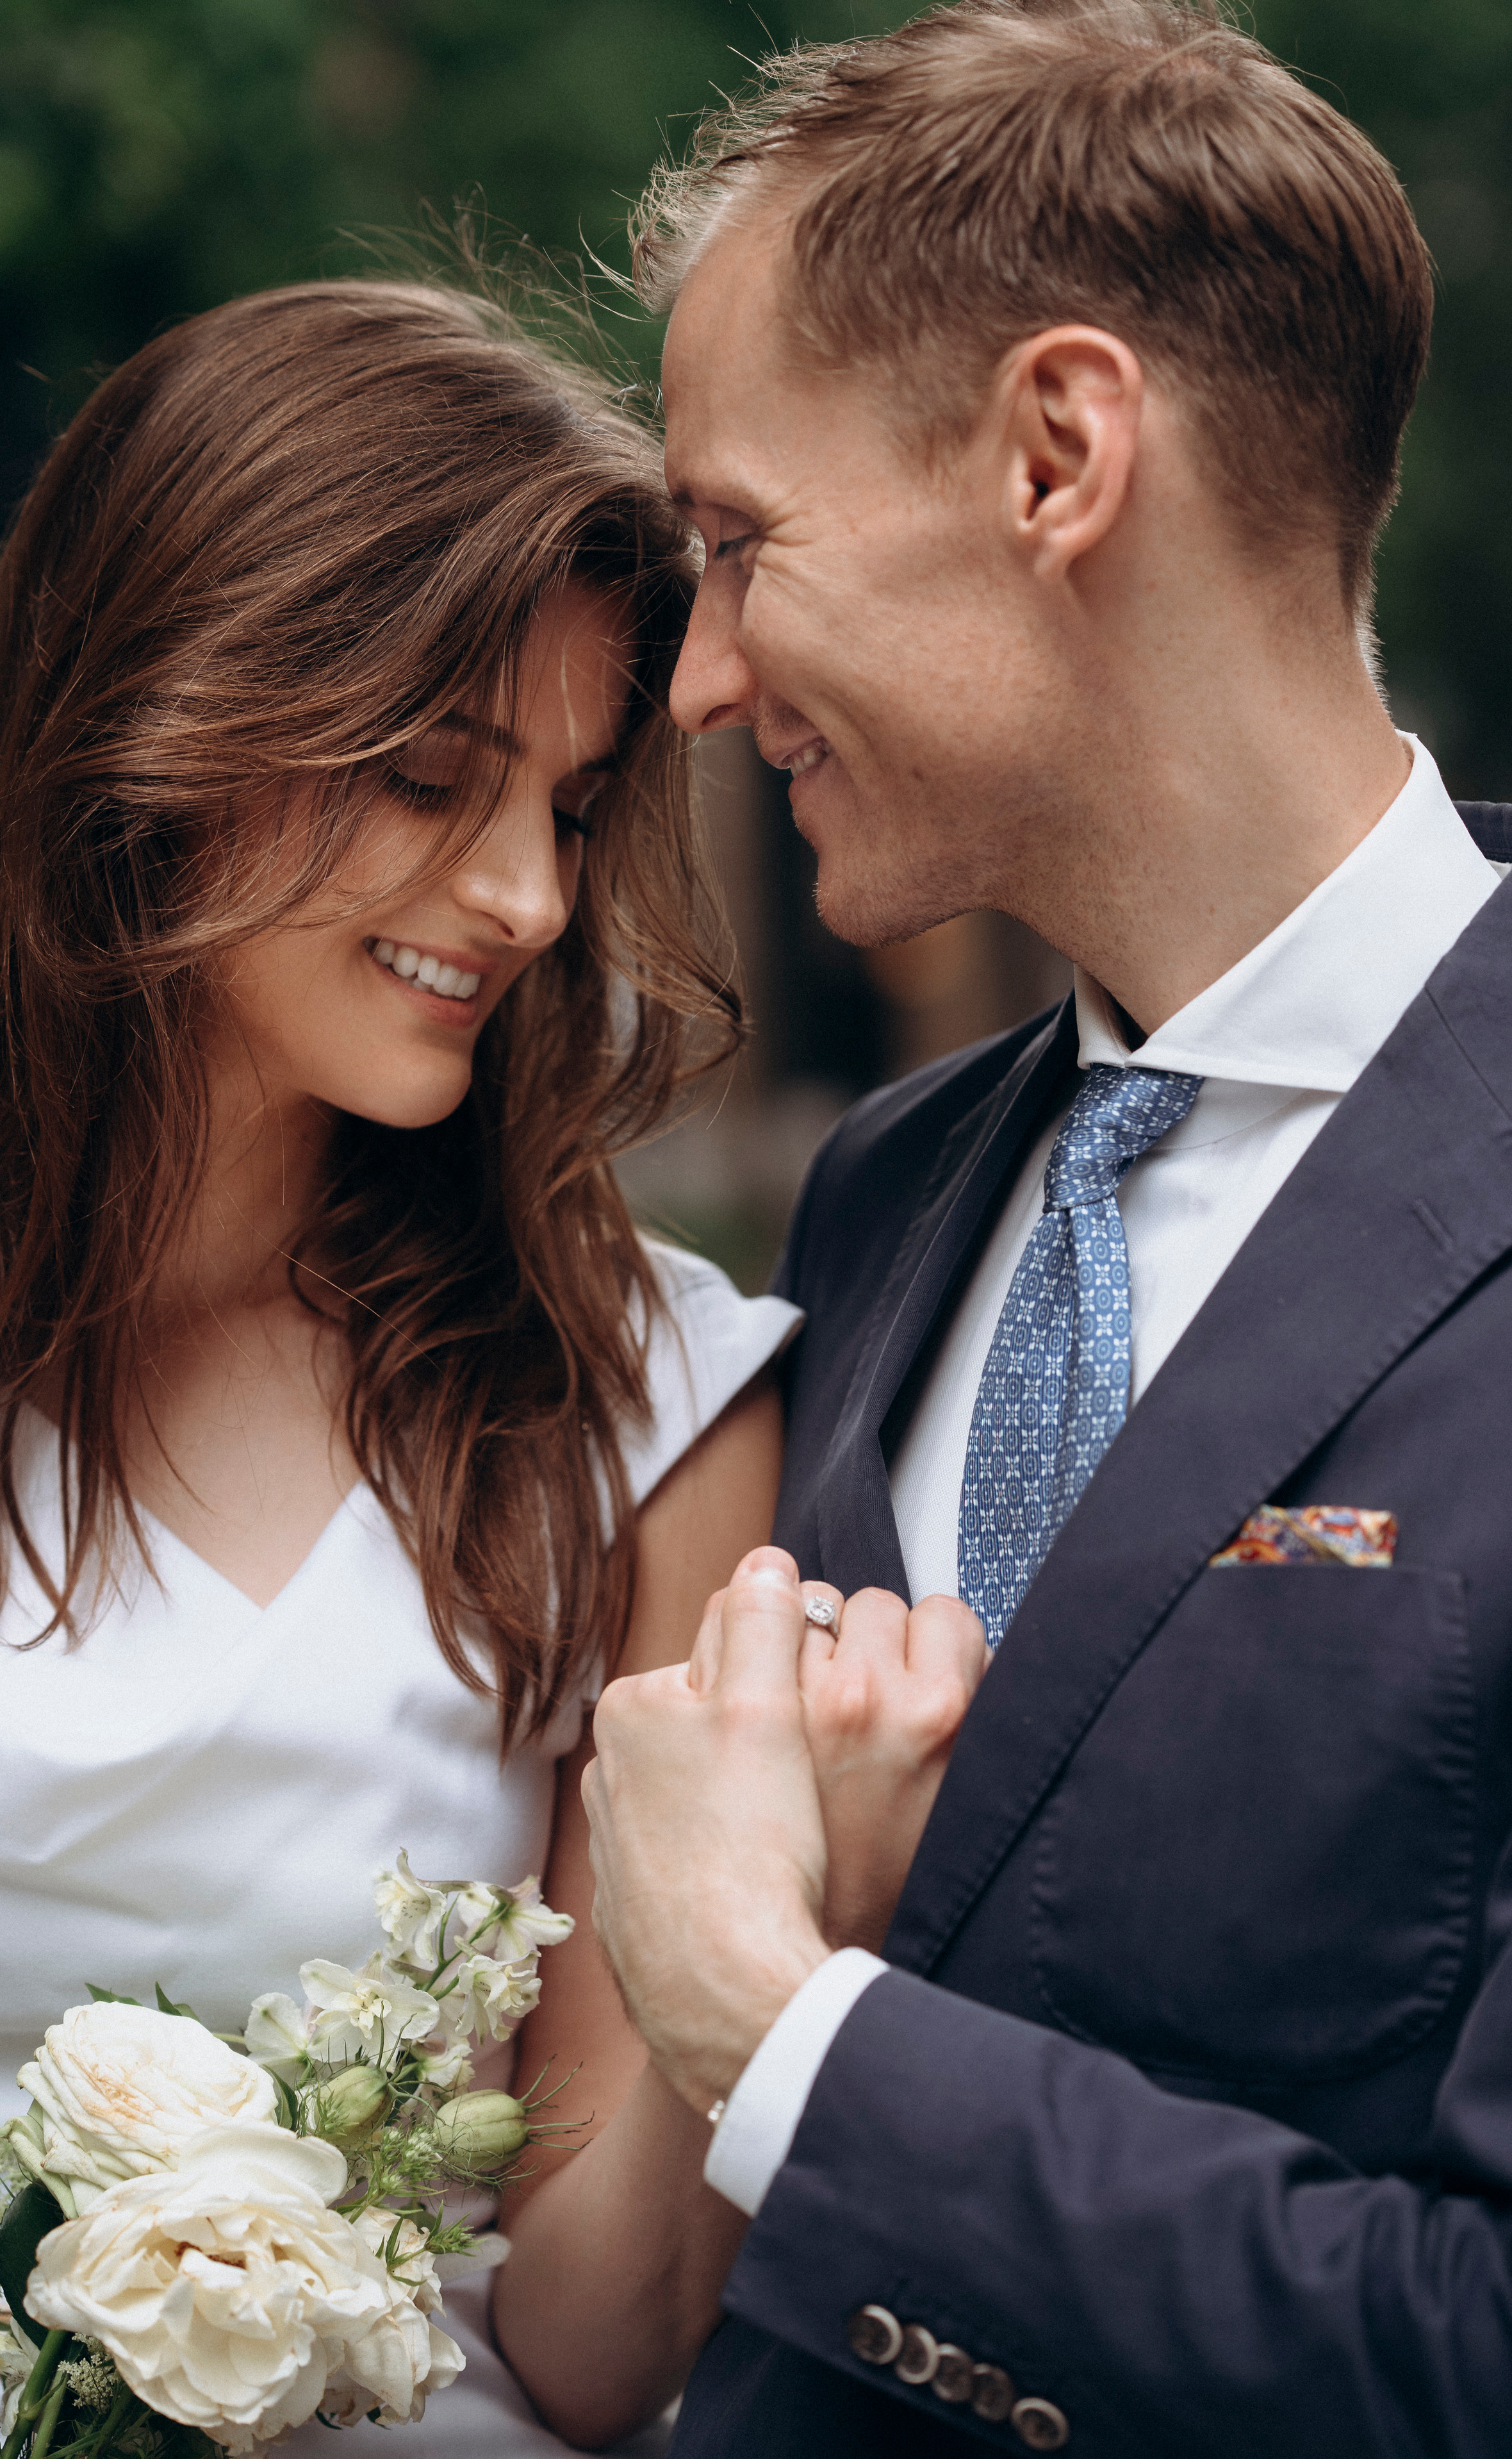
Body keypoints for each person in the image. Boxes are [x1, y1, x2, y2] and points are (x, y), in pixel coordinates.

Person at [583, 4, 1512, 2453]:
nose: (697, 682)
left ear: (1059, 452)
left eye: (737, 545)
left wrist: (776, 2034)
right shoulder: (893, 1187)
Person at [0, 277, 801, 2455]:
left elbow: (592, 2346)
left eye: (570, 806)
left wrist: (743, 1924)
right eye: (426, 776)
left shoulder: (648, 1410)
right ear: (158, 727)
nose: (525, 900)